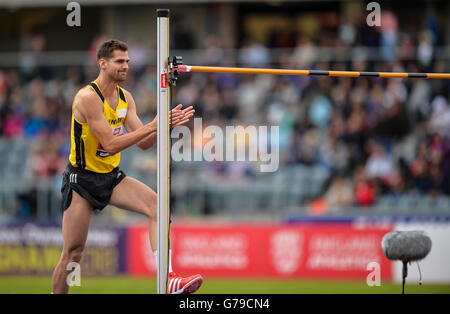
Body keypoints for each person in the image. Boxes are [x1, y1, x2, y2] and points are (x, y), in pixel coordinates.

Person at [51, 39, 201, 294]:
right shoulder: (88, 98)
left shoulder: (125, 98)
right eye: (120, 62)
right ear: (103, 63)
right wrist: (153, 125)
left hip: (110, 177)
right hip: (82, 179)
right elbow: (109, 144)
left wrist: (164, 126)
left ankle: (169, 278)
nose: (126, 67)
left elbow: (144, 142)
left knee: (157, 207)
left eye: (127, 62)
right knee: (73, 253)